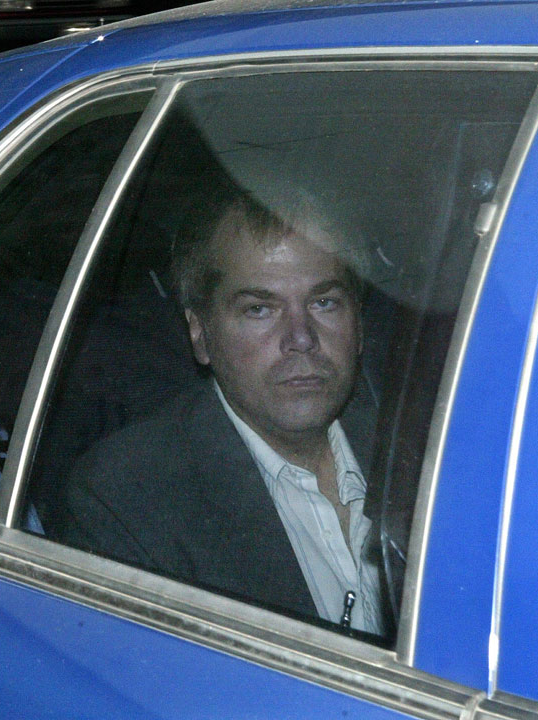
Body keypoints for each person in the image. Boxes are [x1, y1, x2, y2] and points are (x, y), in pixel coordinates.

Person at [62, 190, 385, 636]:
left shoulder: (428, 445)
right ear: (200, 334)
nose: (301, 338)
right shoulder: (130, 498)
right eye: (259, 309)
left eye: (324, 302)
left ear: (359, 323)